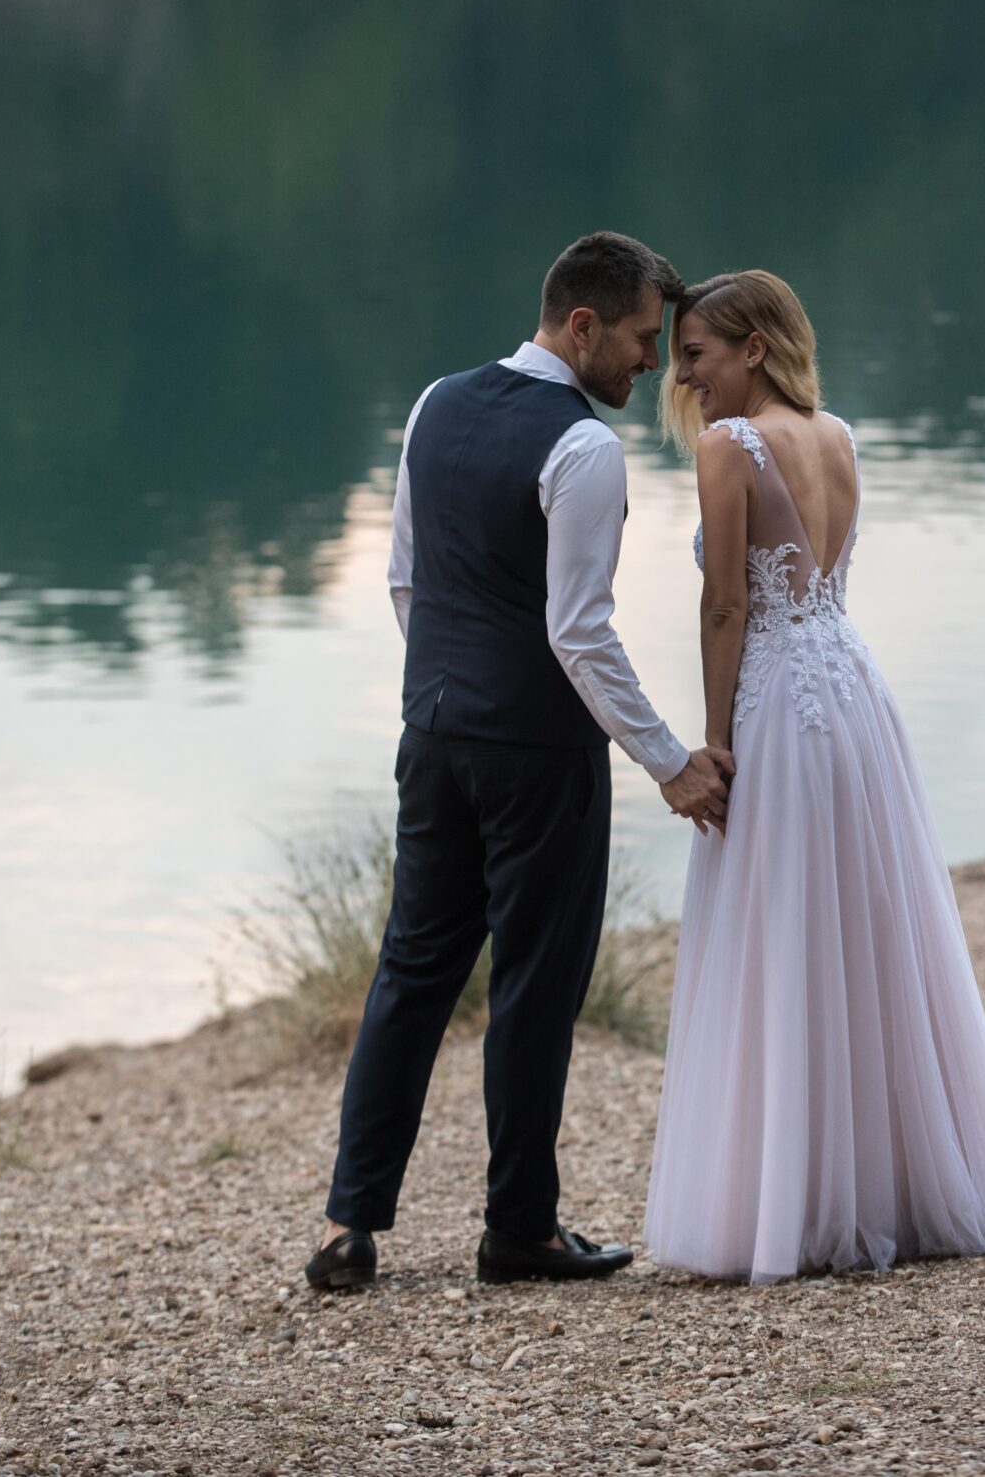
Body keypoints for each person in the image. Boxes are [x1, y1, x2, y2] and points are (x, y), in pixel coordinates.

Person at [306, 232, 734, 1291]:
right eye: (640, 339)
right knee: (535, 987)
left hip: (433, 734)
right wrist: (670, 760)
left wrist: (452, 692)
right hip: (539, 757)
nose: (650, 361)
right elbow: (579, 631)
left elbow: (406, 581)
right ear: (582, 325)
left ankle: (349, 1225)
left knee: (411, 971)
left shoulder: (434, 403)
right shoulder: (583, 447)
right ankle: (520, 1229)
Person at [641, 269, 985, 1283]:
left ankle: (795, 1195)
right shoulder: (840, 436)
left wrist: (711, 738)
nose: (683, 376)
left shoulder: (730, 447)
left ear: (754, 348)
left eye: (695, 354)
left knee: (784, 926)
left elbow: (726, 605)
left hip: (779, 704)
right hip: (855, 692)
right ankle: (889, 1181)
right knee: (865, 929)